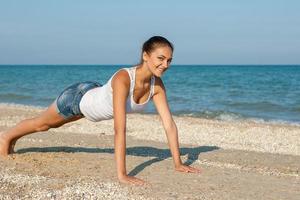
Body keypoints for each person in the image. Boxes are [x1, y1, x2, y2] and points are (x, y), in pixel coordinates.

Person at [0, 36, 201, 185]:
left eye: (169, 60)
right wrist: (122, 174)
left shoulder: (156, 85)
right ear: (145, 55)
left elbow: (169, 125)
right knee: (42, 124)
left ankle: (10, 138)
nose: (165, 64)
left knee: (45, 125)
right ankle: (6, 137)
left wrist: (178, 163)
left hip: (93, 94)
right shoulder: (124, 78)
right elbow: (119, 130)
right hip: (77, 99)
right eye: (160, 58)